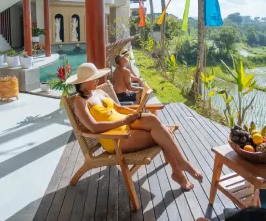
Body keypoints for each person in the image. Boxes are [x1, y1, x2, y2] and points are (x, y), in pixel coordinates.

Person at [67, 63, 203, 190]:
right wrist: (125, 121)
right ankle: (179, 169)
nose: (97, 80)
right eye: (93, 79)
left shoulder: (99, 92)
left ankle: (180, 166)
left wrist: (135, 113)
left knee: (152, 119)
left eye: (97, 77)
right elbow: (94, 127)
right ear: (83, 82)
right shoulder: (80, 102)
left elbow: (119, 108)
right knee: (164, 133)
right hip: (115, 138)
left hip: (126, 124)